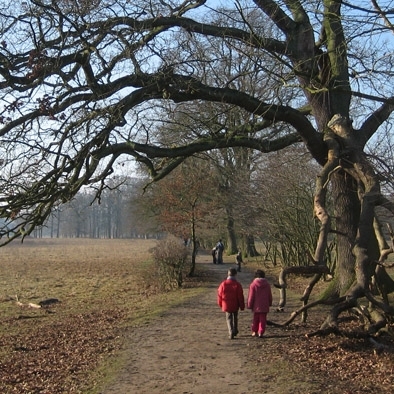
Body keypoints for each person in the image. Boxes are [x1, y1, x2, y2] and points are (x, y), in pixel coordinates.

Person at [217, 268, 245, 339]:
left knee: (229, 318)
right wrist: (242, 306)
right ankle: (235, 329)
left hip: (226, 304)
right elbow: (240, 296)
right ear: (235, 275)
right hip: (235, 304)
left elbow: (219, 295)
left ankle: (231, 331)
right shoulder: (237, 285)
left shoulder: (223, 284)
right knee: (235, 317)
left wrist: (220, 304)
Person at [247, 269, 272, 338]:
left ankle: (254, 331)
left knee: (255, 319)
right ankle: (261, 332)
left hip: (256, 305)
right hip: (264, 305)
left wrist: (249, 304)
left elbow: (251, 296)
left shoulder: (253, 285)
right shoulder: (267, 285)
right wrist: (270, 302)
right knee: (263, 319)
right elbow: (269, 295)